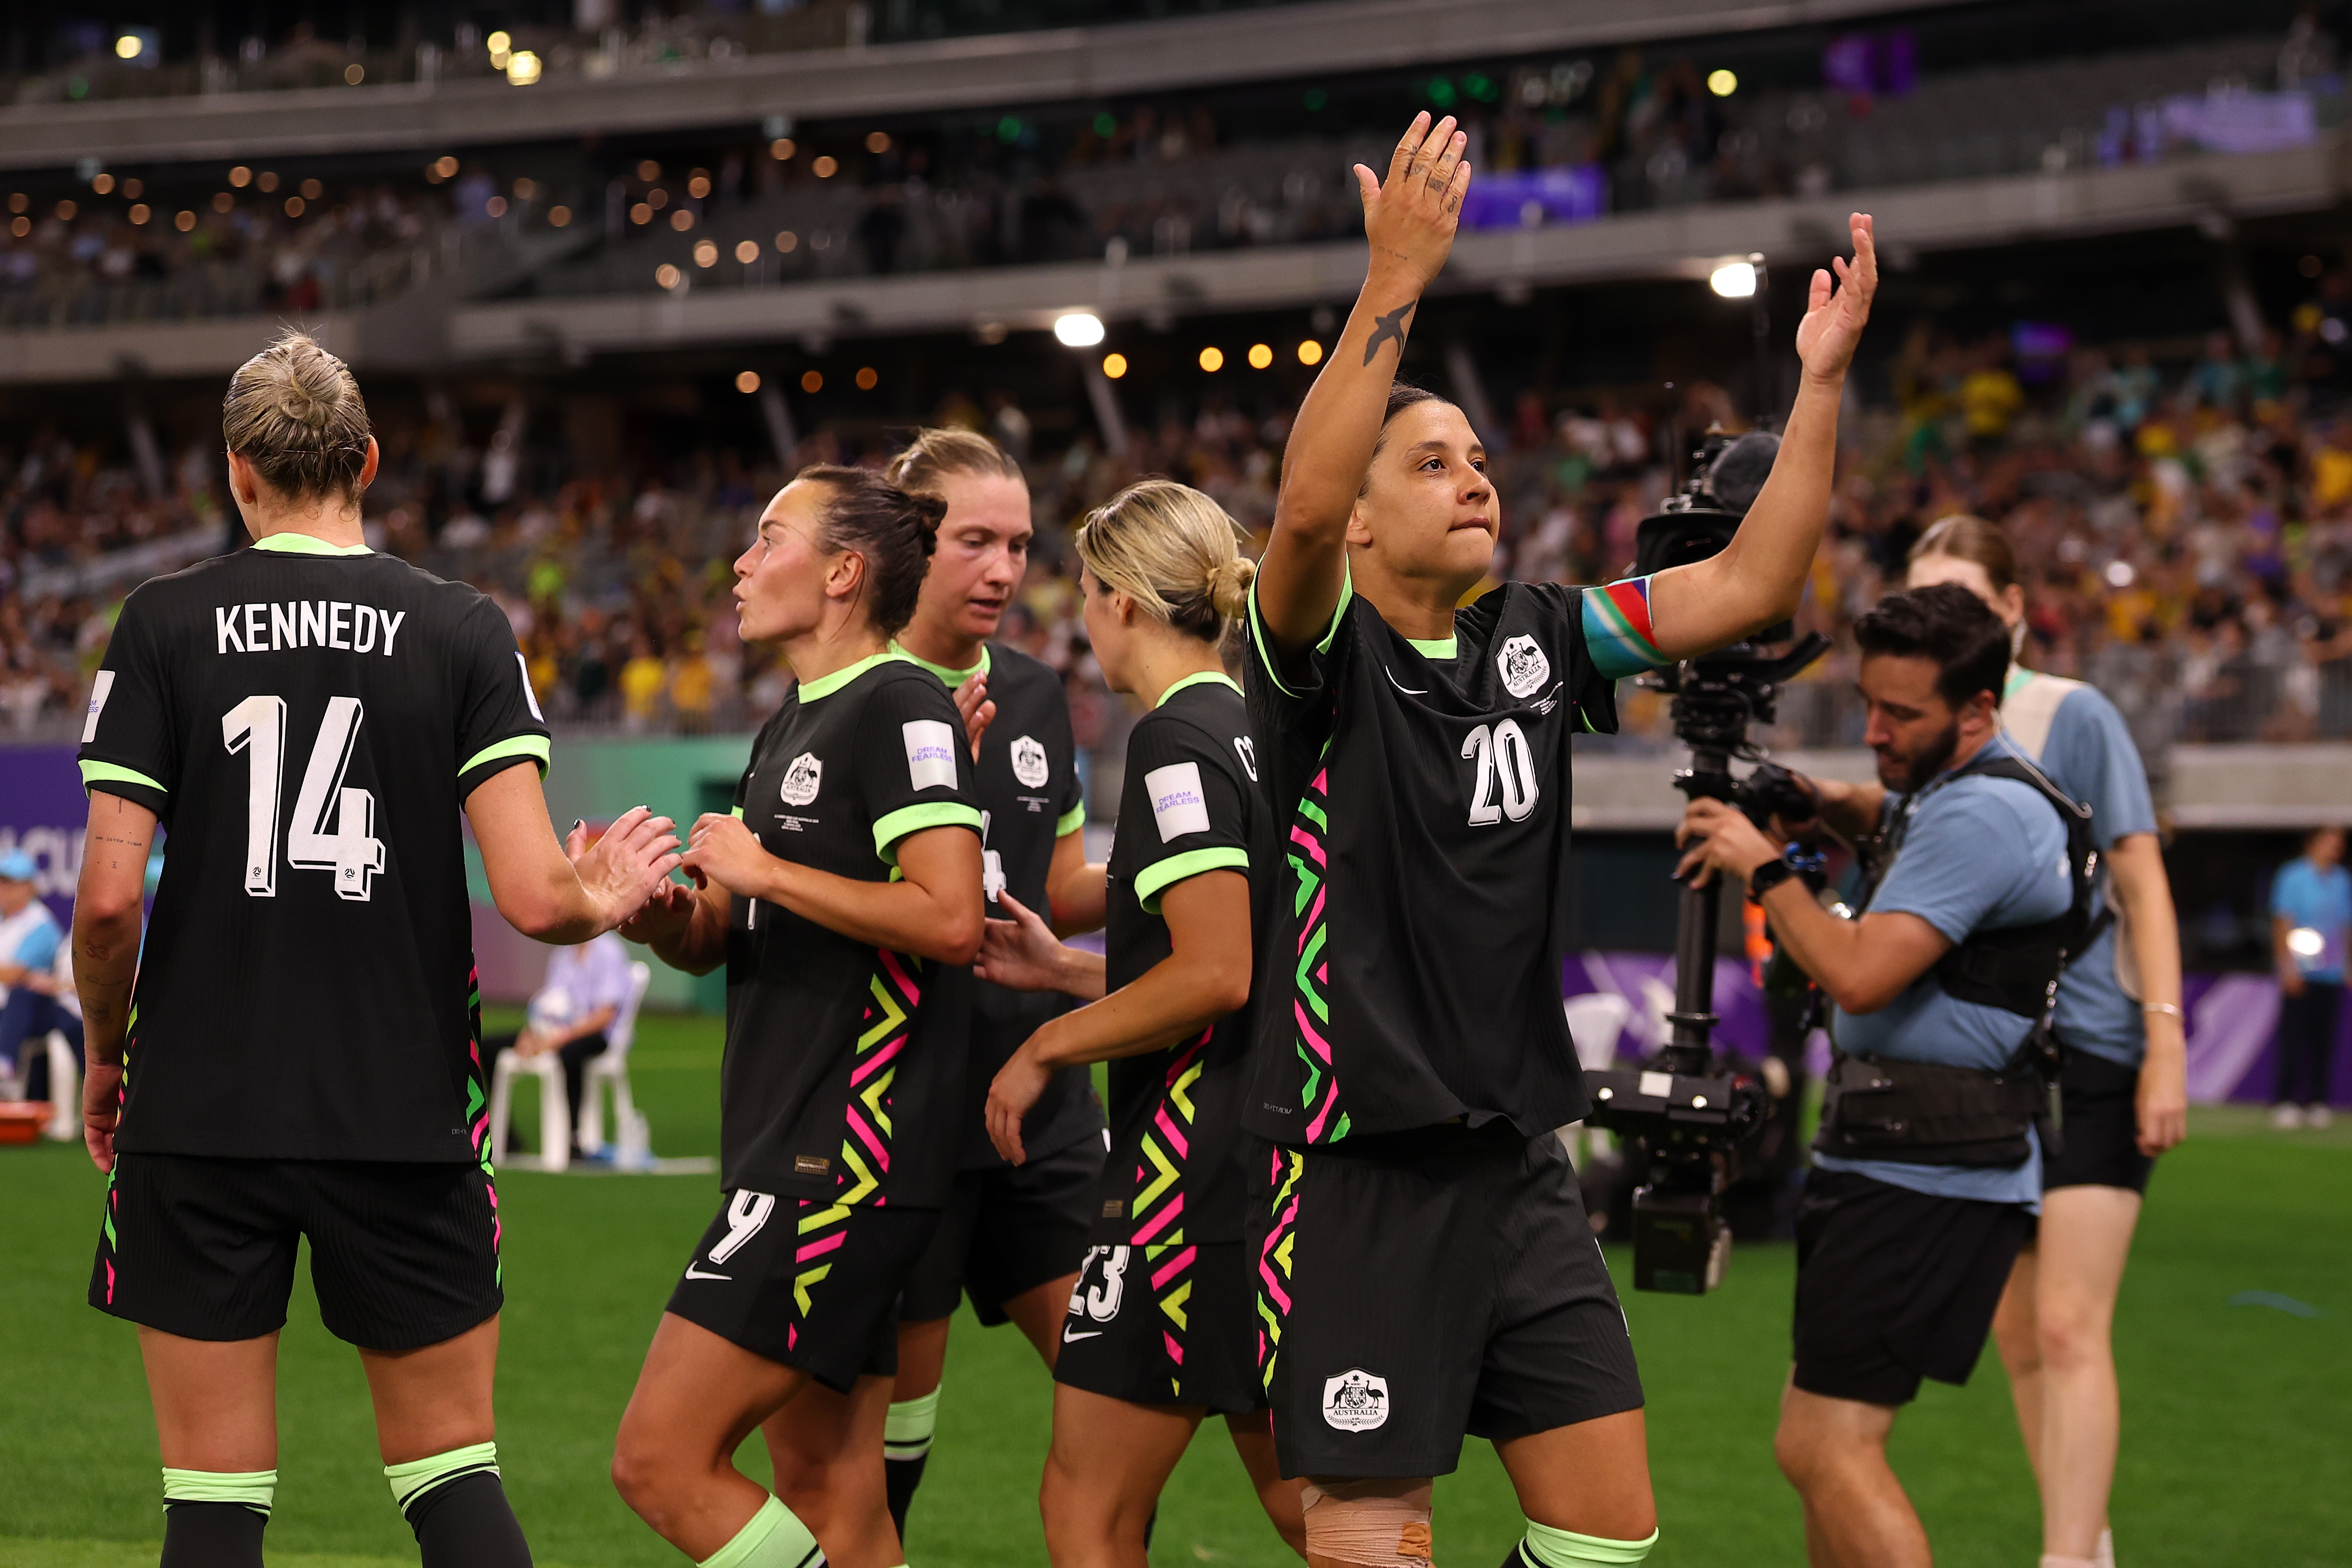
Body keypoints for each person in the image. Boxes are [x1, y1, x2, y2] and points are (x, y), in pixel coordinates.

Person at [1245, 109, 1877, 1568]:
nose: (1476, 478)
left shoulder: (1545, 635)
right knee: (1372, 1533)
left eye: (1478, 457)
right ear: (1361, 524)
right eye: (1433, 464)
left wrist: (1821, 386)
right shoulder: (1307, 652)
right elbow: (1300, 499)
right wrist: (1394, 283)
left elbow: (1755, 582)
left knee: (1607, 1532)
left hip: (1521, 1154)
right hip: (1364, 1162)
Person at [71, 331, 682, 1568]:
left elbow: (105, 904)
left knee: (211, 1505)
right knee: (452, 1479)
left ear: (239, 473)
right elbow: (531, 894)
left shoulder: (160, 622)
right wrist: (607, 891)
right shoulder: (462, 628)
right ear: (368, 460)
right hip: (404, 1107)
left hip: (198, 1106)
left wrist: (103, 1053)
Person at [609, 464, 986, 1568]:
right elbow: (728, 927)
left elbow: (950, 915)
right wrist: (661, 914)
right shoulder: (794, 717)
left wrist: (765, 870)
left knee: (658, 1461)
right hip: (795, 1146)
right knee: (829, 1488)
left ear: (840, 571)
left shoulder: (899, 703)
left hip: (841, 1164)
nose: (739, 561)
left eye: (767, 537)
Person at [1677, 584, 2088, 1568]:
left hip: (1928, 1171)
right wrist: (1824, 802)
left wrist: (1762, 864)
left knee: (1823, 1445)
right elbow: (1891, 812)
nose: (1875, 731)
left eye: (1902, 715)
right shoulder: (1959, 792)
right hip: (1907, 1155)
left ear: (1978, 712)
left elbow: (1858, 976)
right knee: (1825, 1443)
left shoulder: (1983, 814)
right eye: (1870, 705)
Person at [976, 478, 1303, 1567]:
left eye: (1081, 594)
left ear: (1117, 600)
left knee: (1087, 1506)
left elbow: (1216, 974)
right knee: (1324, 1512)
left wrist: (1042, 1045)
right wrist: (1068, 970)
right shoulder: (1256, 729)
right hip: (1270, 1167)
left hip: (1187, 1185)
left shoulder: (1176, 743)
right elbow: (1227, 963)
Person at [835, 428, 1105, 1540]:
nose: (1003, 569)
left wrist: (1202, 872)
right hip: (906, 1104)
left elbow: (1059, 881)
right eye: (974, 541)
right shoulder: (850, 689)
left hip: (1040, 1105)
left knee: (1116, 1374)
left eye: (1020, 545)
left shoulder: (1038, 694)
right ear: (913, 539)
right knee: (901, 1416)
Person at [1906, 514, 2190, 1568]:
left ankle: (2069, 1559)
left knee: (2070, 1326)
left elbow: (2144, 879)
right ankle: (2089, 1542)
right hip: (1985, 1063)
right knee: (2017, 1333)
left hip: (2094, 1054)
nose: (1946, 622)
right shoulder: (1923, 722)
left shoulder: (2074, 715)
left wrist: (2167, 1042)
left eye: (1966, 601)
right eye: (1924, 600)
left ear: (2015, 611)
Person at [483, 929, 638, 1157]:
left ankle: (574, 1138)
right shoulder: (561, 954)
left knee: (571, 1054)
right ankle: (505, 1136)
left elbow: (605, 1016)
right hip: (556, 1031)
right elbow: (548, 1007)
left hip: (598, 1035)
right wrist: (532, 1035)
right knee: (488, 1048)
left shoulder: (609, 951)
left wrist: (563, 1037)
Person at [2269, 825, 2349, 1129]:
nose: (2335, 849)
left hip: (2330, 973)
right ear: (2313, 843)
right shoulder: (2293, 876)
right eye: (2329, 842)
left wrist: (2347, 964)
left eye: (2338, 843)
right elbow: (2282, 922)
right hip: (2300, 971)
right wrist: (2287, 967)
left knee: (2324, 1041)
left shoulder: (2341, 880)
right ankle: (2285, 1101)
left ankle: (2318, 1102)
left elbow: (2345, 925)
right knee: (2294, 1039)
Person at [0, 849, 80, 1102]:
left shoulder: (41, 924)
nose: (5, 890)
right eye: (2, 883)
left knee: (21, 994)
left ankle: (5, 1068)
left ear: (30, 887)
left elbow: (14, 975)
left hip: (32, 1014)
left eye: (12, 884)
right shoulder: (4, 922)